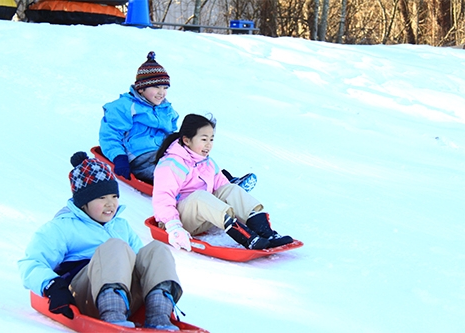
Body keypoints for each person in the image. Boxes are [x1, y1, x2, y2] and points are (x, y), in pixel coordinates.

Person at [18, 152, 183, 330]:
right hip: (84, 295)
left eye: (114, 196)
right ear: (84, 202)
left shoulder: (121, 226)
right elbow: (31, 262)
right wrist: (52, 286)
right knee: (115, 246)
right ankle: (112, 314)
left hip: (127, 297)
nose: (110, 204)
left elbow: (143, 263)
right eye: (101, 198)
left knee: (157, 249)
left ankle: (159, 313)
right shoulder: (62, 227)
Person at [98, 51, 256, 191]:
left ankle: (225, 180)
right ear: (141, 88)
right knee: (172, 172)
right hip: (141, 157)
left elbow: (171, 131)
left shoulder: (165, 108)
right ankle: (202, 187)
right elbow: (109, 135)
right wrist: (119, 158)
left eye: (165, 88)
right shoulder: (124, 107)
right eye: (156, 88)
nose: (162, 93)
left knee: (196, 156)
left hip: (164, 151)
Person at [152, 114, 293, 252]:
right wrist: (173, 226)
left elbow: (224, 189)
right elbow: (162, 198)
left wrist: (238, 209)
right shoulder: (171, 164)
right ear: (187, 140)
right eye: (204, 139)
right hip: (177, 223)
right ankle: (248, 238)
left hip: (203, 217)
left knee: (231, 188)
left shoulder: (206, 162)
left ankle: (266, 232)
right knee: (199, 196)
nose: (209, 145)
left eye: (211, 139)